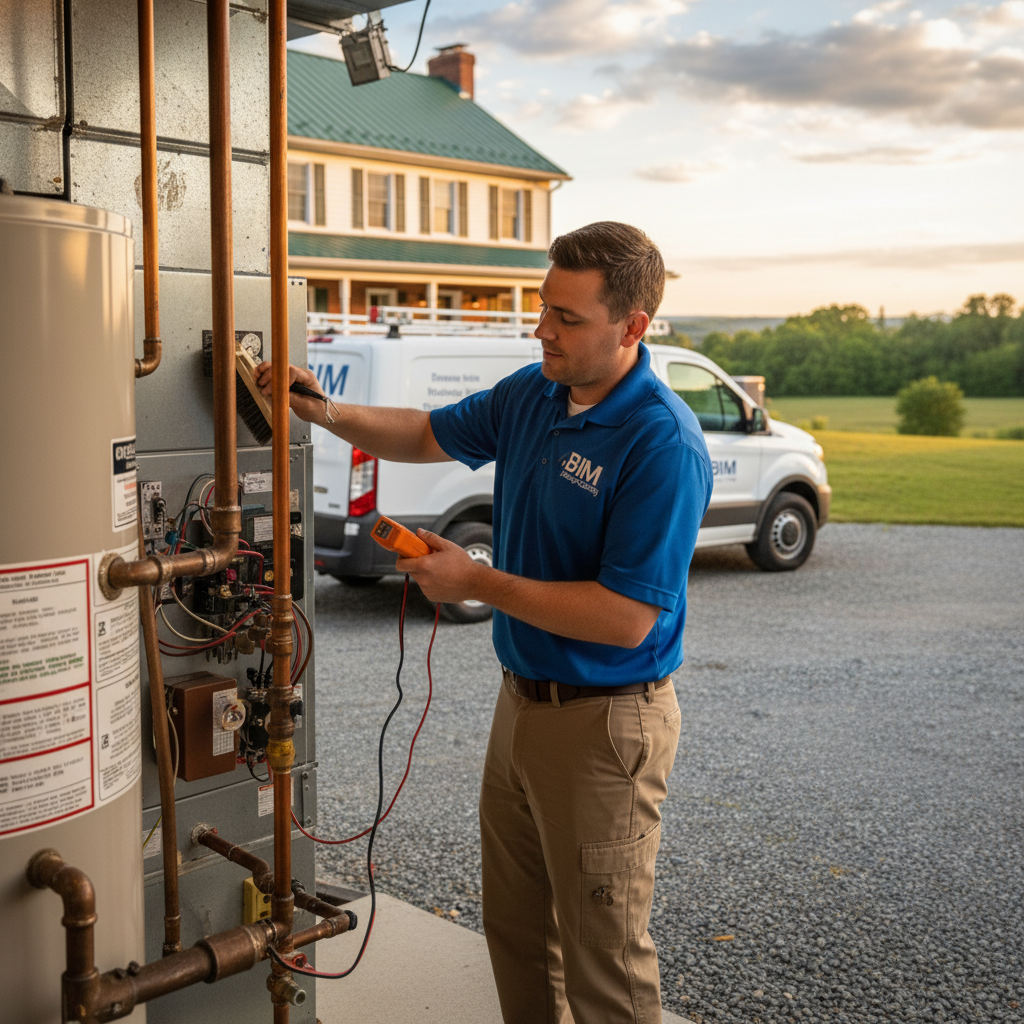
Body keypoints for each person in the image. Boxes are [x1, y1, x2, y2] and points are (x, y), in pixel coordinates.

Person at [256, 221, 712, 1024]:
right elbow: (427, 433)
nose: (543, 329)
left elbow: (627, 618)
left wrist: (477, 581)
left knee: (605, 962)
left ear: (633, 327)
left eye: (567, 318)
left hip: (606, 726)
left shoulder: (661, 441)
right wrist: (317, 408)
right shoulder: (534, 391)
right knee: (519, 935)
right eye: (543, 309)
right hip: (522, 708)